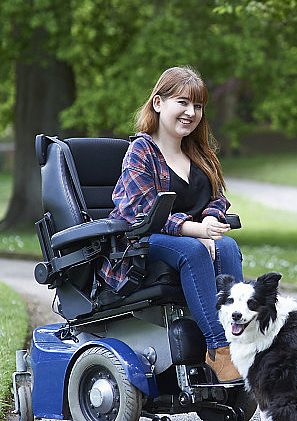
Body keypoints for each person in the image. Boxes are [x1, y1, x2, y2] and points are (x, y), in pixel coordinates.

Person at [99, 66, 243, 383]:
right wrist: (195, 230)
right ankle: (219, 349)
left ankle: (239, 342)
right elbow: (141, 209)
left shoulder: (200, 153)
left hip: (190, 239)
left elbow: (217, 199)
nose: (191, 112)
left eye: (198, 106)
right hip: (139, 245)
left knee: (228, 246)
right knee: (193, 250)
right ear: (159, 103)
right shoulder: (141, 151)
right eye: (183, 102)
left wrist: (208, 219)